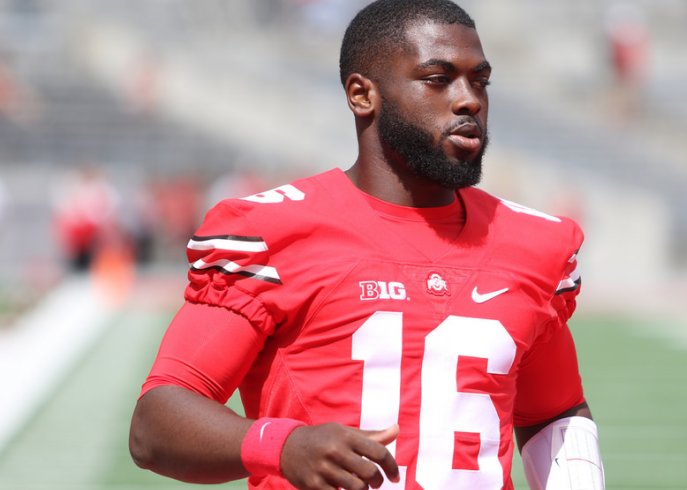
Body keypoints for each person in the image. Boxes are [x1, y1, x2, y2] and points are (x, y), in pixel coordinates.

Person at [128, 1, 605, 489]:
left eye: (479, 80)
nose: (469, 100)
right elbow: (155, 423)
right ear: (362, 95)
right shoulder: (274, 232)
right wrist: (283, 445)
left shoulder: (531, 243)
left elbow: (553, 413)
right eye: (438, 78)